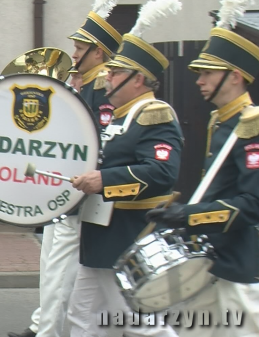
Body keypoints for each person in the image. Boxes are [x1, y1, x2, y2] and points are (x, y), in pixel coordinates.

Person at [66, 1, 183, 335]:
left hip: (128, 235)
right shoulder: (117, 117)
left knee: (142, 325)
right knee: (83, 318)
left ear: (139, 80)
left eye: (115, 73)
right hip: (101, 235)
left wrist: (104, 180)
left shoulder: (153, 113)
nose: (106, 78)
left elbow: (161, 175)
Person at [7, 3, 121, 337]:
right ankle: (41, 324)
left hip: (79, 192)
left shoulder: (101, 90)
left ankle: (47, 331)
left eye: (80, 48)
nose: (73, 53)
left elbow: (93, 142)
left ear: (98, 53)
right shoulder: (87, 86)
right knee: (51, 265)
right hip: (64, 189)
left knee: (61, 270)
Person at [146, 10, 259, 336]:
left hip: (238, 266)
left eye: (207, 73)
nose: (199, 80)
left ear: (235, 76)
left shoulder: (249, 126)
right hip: (209, 260)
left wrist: (190, 216)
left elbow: (251, 204)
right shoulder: (221, 121)